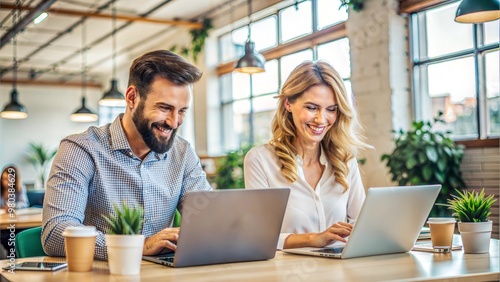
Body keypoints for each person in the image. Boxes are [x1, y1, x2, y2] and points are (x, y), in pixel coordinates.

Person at [42, 50, 212, 260]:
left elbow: (208, 220)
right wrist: (137, 246)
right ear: (132, 97)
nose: (174, 121)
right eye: (164, 108)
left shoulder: (183, 153)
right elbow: (56, 233)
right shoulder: (81, 149)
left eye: (182, 111)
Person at [244, 60, 372, 250]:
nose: (321, 119)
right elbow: (258, 236)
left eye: (331, 109)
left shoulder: (345, 161)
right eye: (312, 108)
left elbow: (363, 224)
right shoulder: (260, 160)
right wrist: (313, 239)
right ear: (288, 103)